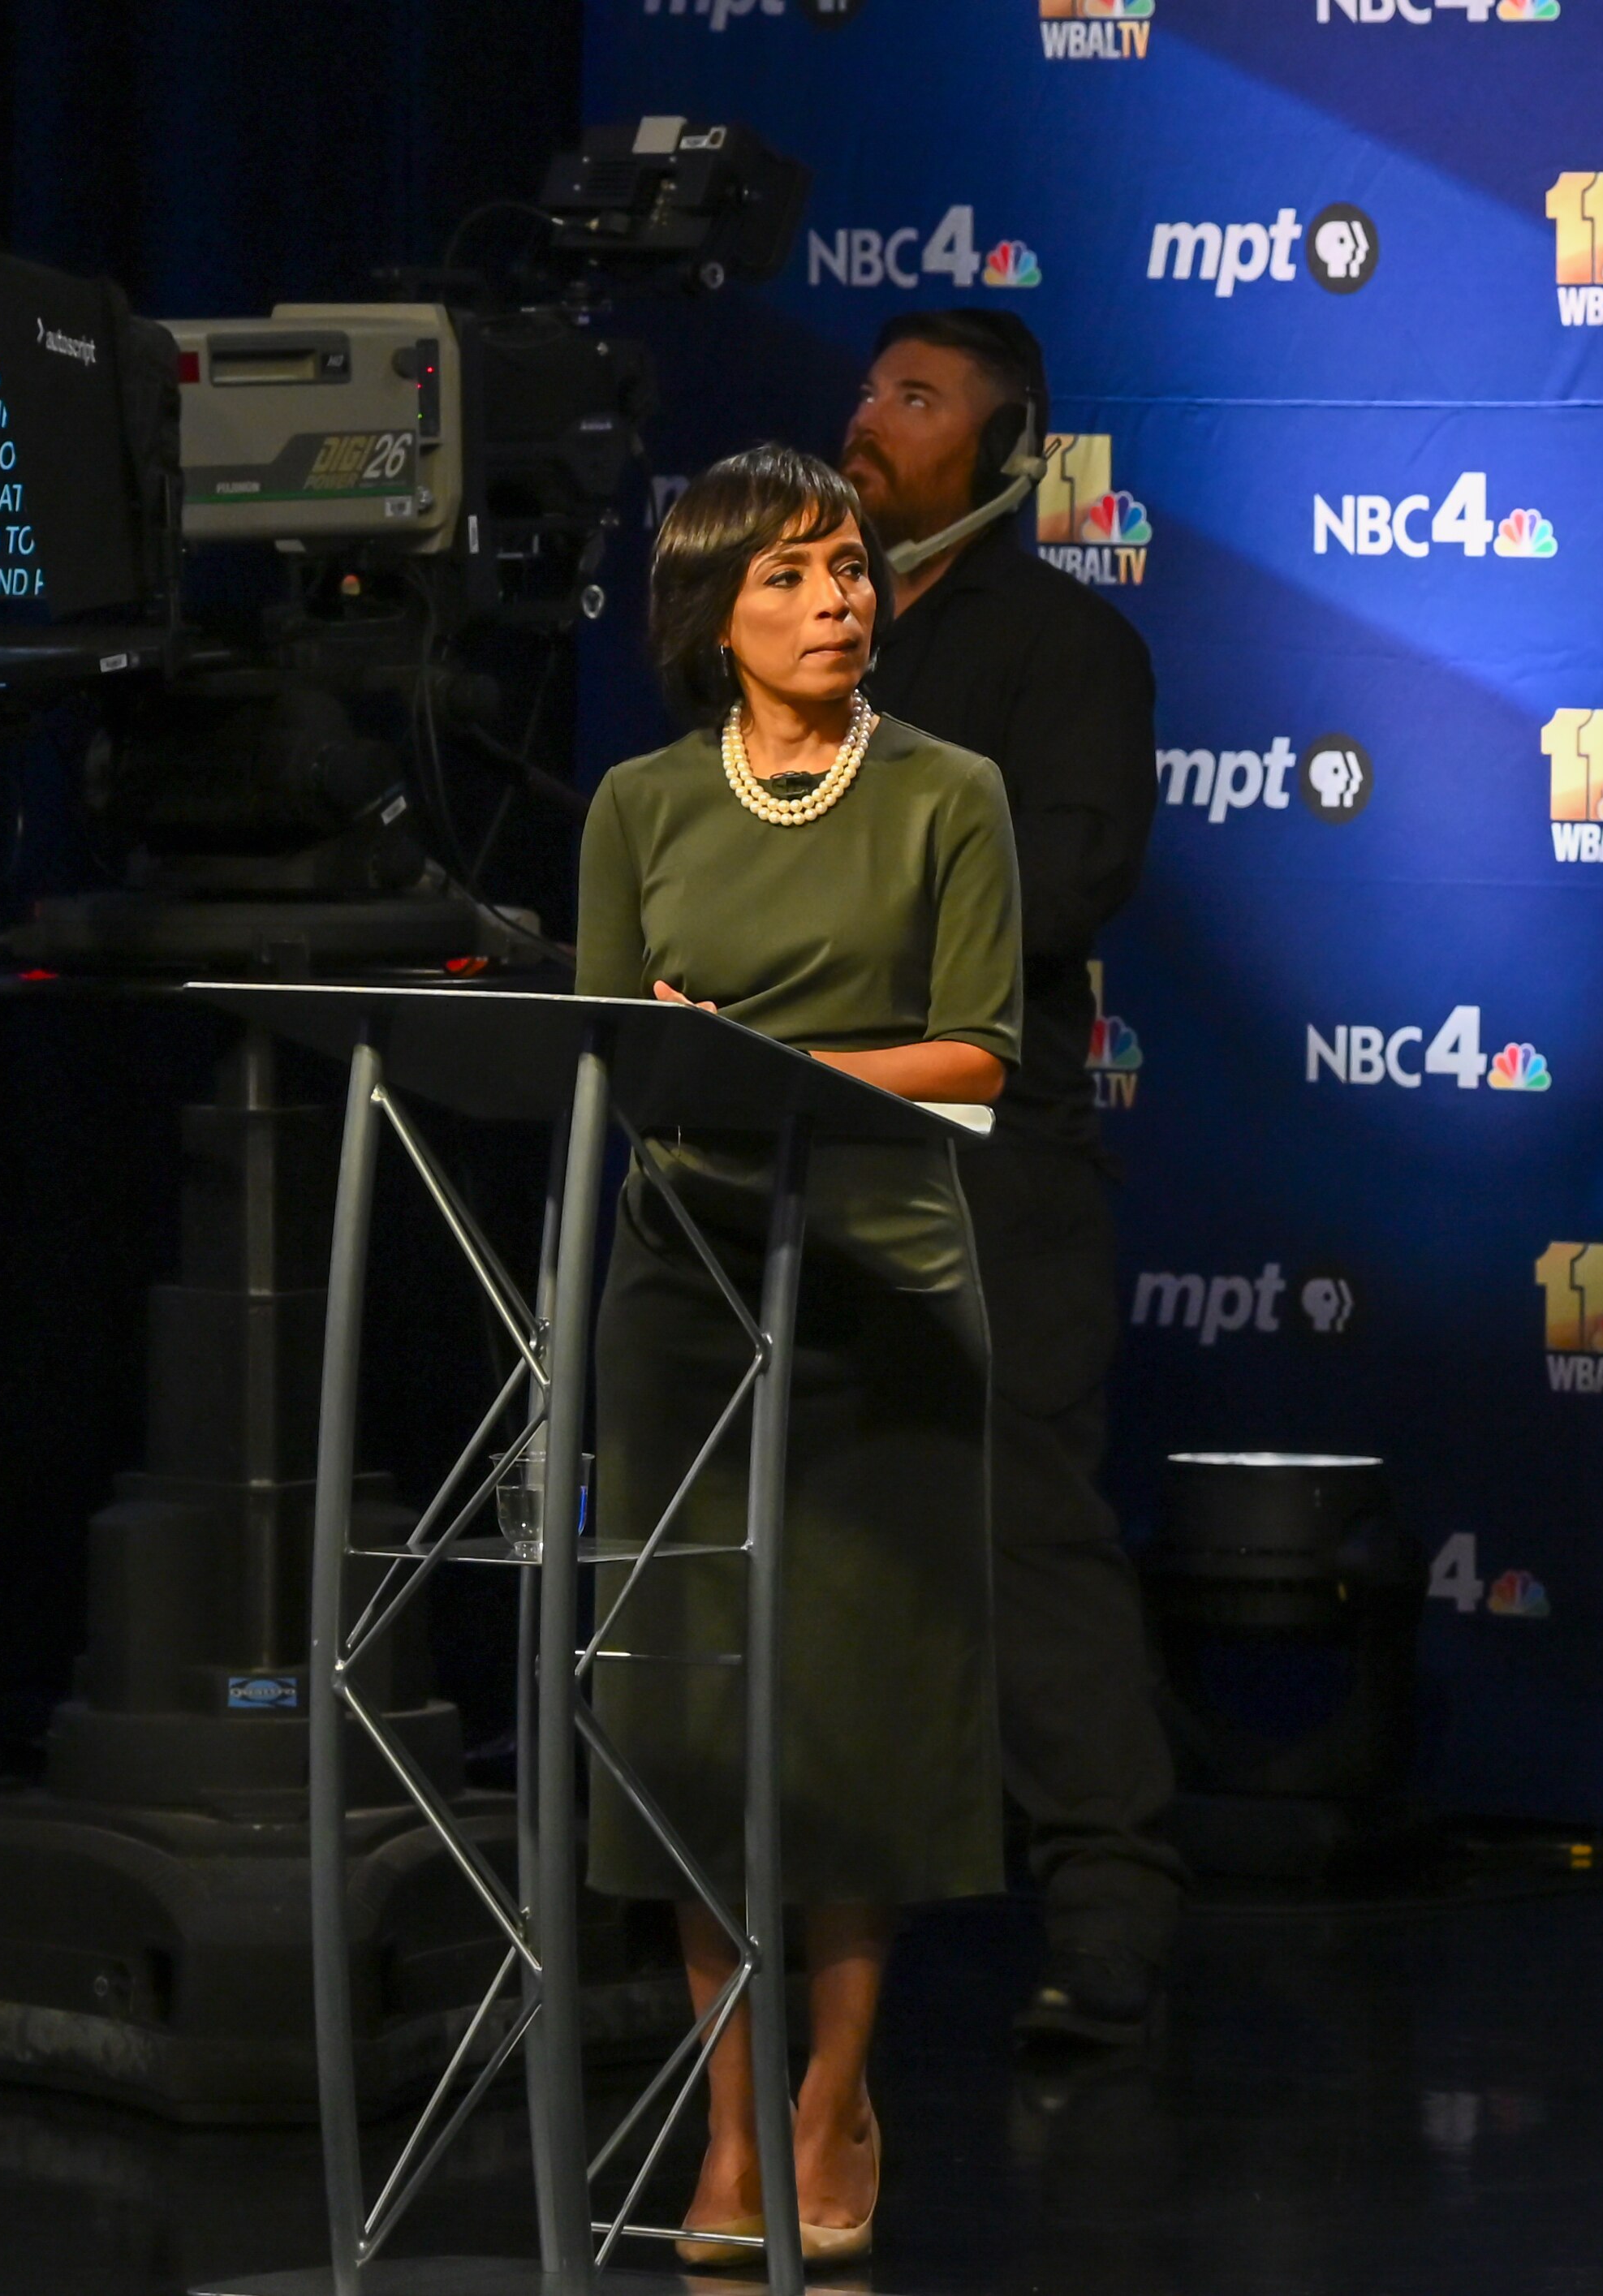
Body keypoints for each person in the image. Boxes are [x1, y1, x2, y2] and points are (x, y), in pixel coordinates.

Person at [574, 445, 1024, 2265]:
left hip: (882, 1294)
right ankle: (731, 2117)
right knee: (695, 1721)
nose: (839, 597)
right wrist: (687, 1069)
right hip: (683, 1298)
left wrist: (781, 1073)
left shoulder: (949, 794)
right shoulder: (637, 805)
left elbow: (978, 1052)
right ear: (713, 617)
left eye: (849, 566)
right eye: (794, 576)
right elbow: (614, 1049)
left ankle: (834, 2091)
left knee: (850, 1723)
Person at [838, 309, 1183, 2047]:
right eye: (870, 390)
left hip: (987, 1156)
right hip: (793, 1144)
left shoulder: (1066, 646)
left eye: (915, 400)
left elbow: (1068, 883)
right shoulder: (793, 633)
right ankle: (746, 1904)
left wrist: (850, 917)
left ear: (1008, 445)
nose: (869, 420)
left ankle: (1109, 1912)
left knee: (1024, 1526)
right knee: (792, 1529)